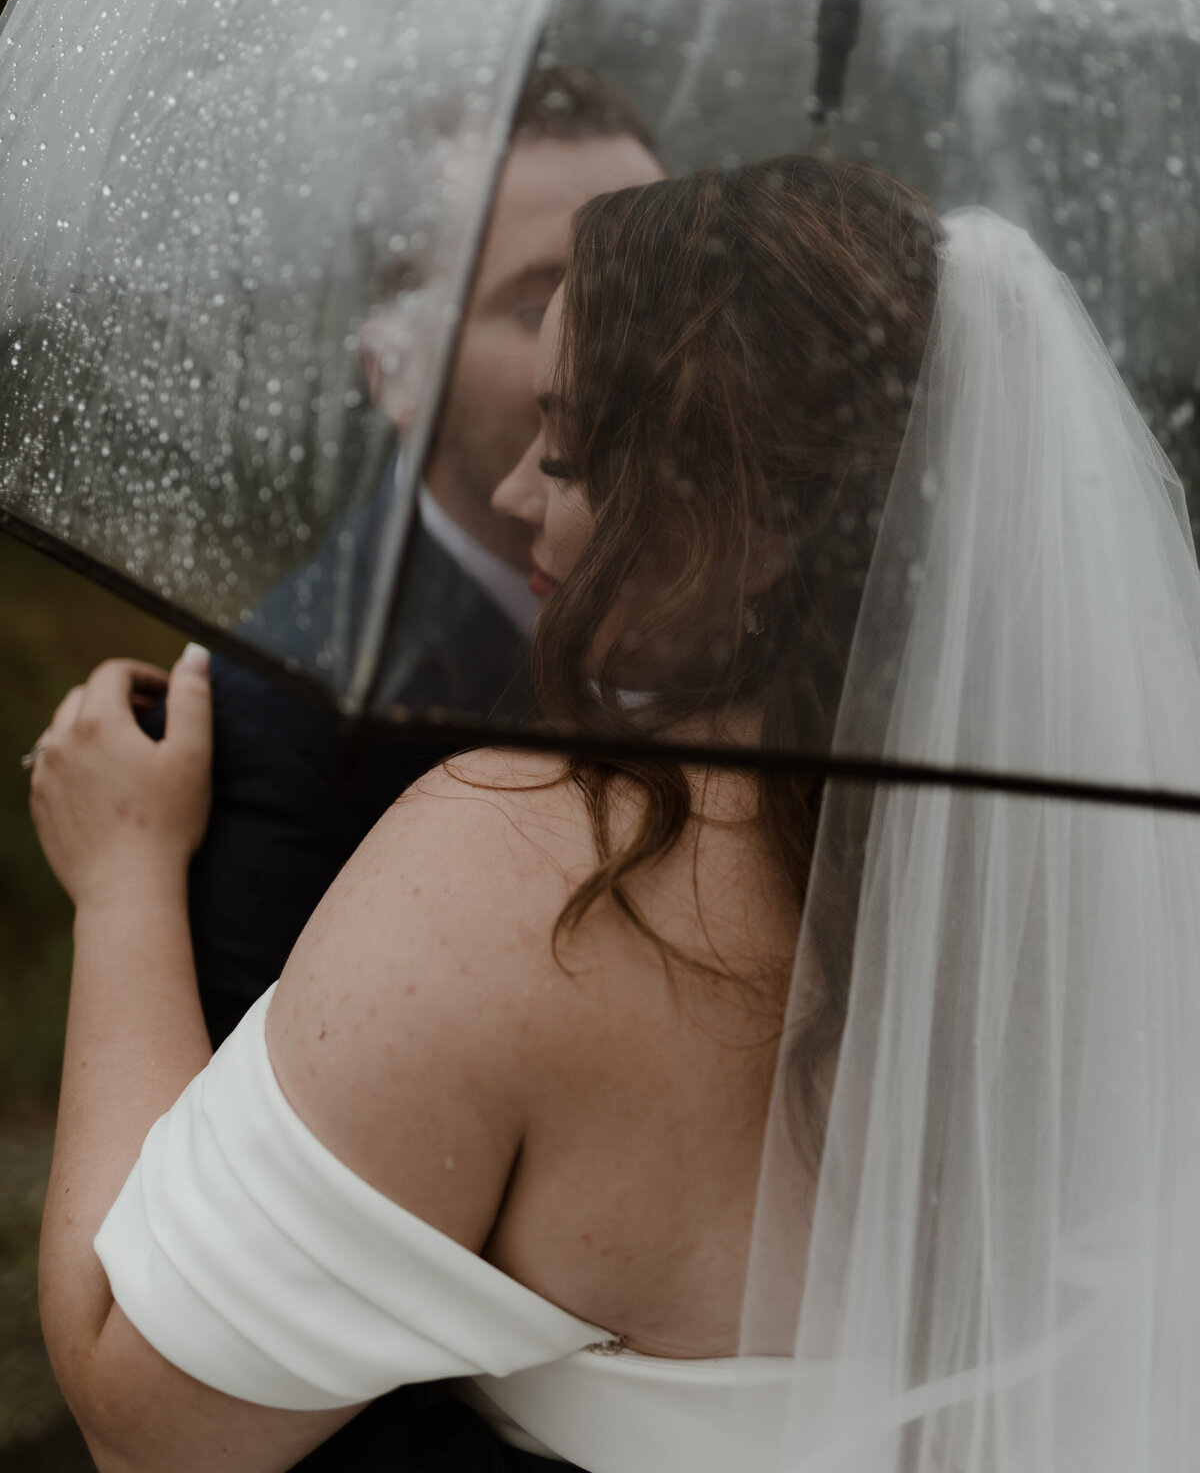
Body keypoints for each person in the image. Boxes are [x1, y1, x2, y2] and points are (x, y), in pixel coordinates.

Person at [31, 159, 1200, 1473]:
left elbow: (144, 1417)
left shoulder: (523, 881)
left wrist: (124, 879)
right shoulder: (1113, 861)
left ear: (754, 529)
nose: (525, 493)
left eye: (577, 453)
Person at [182, 65, 663, 1051]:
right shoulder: (286, 715)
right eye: (541, 306)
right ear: (395, 370)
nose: (621, 348)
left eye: (651, 284)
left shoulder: (792, 626)